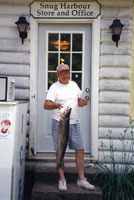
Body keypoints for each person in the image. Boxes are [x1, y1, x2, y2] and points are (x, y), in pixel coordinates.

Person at [44, 64, 95, 192]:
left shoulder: (74, 85)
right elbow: (46, 105)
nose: (65, 75)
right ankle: (62, 179)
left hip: (74, 123)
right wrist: (56, 105)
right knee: (59, 151)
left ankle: (81, 179)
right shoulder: (54, 87)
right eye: (62, 73)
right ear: (58, 75)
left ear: (69, 73)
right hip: (59, 123)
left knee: (80, 150)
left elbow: (78, 101)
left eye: (67, 72)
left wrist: (82, 102)